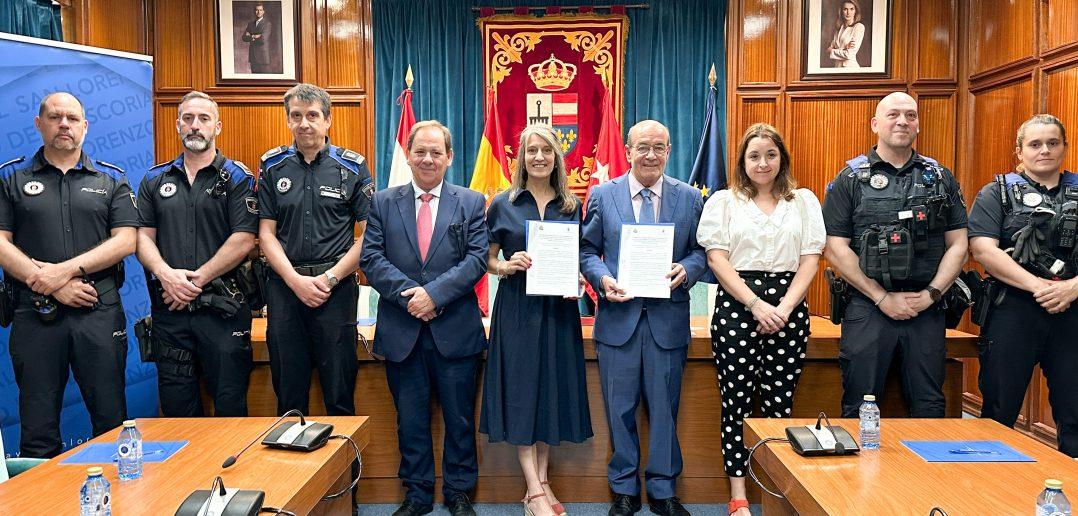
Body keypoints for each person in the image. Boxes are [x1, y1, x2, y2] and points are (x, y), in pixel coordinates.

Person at [360, 120, 488, 516]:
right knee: (410, 421)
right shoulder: (382, 201)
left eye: (436, 152)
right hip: (403, 330)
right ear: (408, 155)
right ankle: (416, 494)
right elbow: (371, 258)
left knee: (460, 419)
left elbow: (477, 259)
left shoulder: (471, 202)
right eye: (421, 151)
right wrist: (411, 297)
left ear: (450, 157)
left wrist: (433, 295)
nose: (428, 159)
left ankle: (459, 492)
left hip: (455, 329)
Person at [0, 92, 138, 458]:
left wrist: (60, 273)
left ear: (85, 126)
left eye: (73, 118)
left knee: (111, 422)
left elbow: (126, 240)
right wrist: (49, 285)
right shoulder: (10, 178)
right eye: (56, 117)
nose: (64, 124)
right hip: (34, 315)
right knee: (37, 428)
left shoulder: (111, 179)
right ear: (39, 124)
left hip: (98, 312)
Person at [580, 120, 707, 516]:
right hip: (618, 320)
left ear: (669, 151)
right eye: (643, 147)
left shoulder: (689, 198)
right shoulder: (603, 194)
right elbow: (586, 251)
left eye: (659, 147)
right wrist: (602, 281)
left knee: (664, 409)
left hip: (666, 321)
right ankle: (623, 490)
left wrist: (687, 269)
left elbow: (702, 251)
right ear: (629, 149)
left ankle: (664, 490)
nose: (650, 155)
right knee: (619, 410)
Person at [697, 123, 824, 516]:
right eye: (754, 156)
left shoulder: (802, 201)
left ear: (781, 158)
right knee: (736, 403)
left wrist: (783, 308)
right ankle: (738, 495)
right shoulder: (724, 201)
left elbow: (810, 259)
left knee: (778, 403)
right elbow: (717, 259)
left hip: (788, 307)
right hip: (738, 306)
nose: (762, 162)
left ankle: (772, 489)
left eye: (770, 154)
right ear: (742, 161)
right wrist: (755, 304)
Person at [822, 92, 968, 419]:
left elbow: (959, 244)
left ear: (918, 124)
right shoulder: (850, 178)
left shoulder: (940, 177)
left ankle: (922, 473)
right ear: (876, 124)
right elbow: (834, 247)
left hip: (926, 306)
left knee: (930, 406)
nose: (902, 121)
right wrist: (880, 297)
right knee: (859, 404)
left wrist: (931, 295)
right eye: (893, 115)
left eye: (910, 115)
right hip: (868, 305)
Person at [480, 125, 592, 516]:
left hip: (559, 311)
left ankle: (541, 483)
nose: (539, 157)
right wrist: (506, 265)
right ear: (521, 157)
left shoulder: (571, 205)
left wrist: (577, 276)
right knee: (523, 392)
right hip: (518, 311)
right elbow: (487, 259)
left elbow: (578, 257)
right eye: (532, 150)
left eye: (546, 150)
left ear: (557, 157)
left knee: (549, 391)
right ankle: (534, 488)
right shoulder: (502, 203)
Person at [135, 91, 257, 417]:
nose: (195, 126)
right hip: (170, 314)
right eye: (188, 119)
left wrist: (195, 280)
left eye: (204, 119)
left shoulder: (238, 178)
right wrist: (166, 276)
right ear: (177, 125)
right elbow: (142, 238)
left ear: (217, 126)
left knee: (230, 409)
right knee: (177, 414)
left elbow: (244, 239)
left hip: (223, 312)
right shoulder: (153, 180)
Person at [257, 83, 372, 417]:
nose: (304, 123)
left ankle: (345, 470)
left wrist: (329, 279)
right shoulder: (273, 166)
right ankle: (293, 470)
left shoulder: (352, 168)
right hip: (285, 289)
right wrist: (295, 281)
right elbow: (265, 234)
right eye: (296, 116)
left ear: (327, 121)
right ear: (288, 120)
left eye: (312, 115)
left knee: (339, 392)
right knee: (289, 395)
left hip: (334, 292)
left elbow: (367, 236)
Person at [968, 114, 1078, 457]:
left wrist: (1072, 287)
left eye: (1052, 143)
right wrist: (1039, 287)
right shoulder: (996, 193)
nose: (1044, 150)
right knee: (999, 411)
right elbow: (983, 249)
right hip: (1013, 310)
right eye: (1034, 144)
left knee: (1074, 411)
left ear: (1064, 147)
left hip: (1072, 310)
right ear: (1019, 151)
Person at [826, 0, 865, 68]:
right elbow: (828, 49)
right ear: (841, 11)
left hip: (850, 68)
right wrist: (844, 48)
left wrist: (832, 51)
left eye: (851, 9)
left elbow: (849, 55)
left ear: (856, 11)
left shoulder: (858, 27)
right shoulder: (839, 28)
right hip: (837, 67)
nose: (848, 13)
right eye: (845, 9)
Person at [242, 2, 273, 73]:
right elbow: (244, 38)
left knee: (264, 81)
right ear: (254, 11)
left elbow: (263, 39)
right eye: (257, 10)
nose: (258, 12)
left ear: (263, 12)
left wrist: (250, 36)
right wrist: (254, 36)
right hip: (253, 56)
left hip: (263, 57)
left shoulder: (267, 24)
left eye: (260, 10)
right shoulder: (250, 24)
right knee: (254, 80)